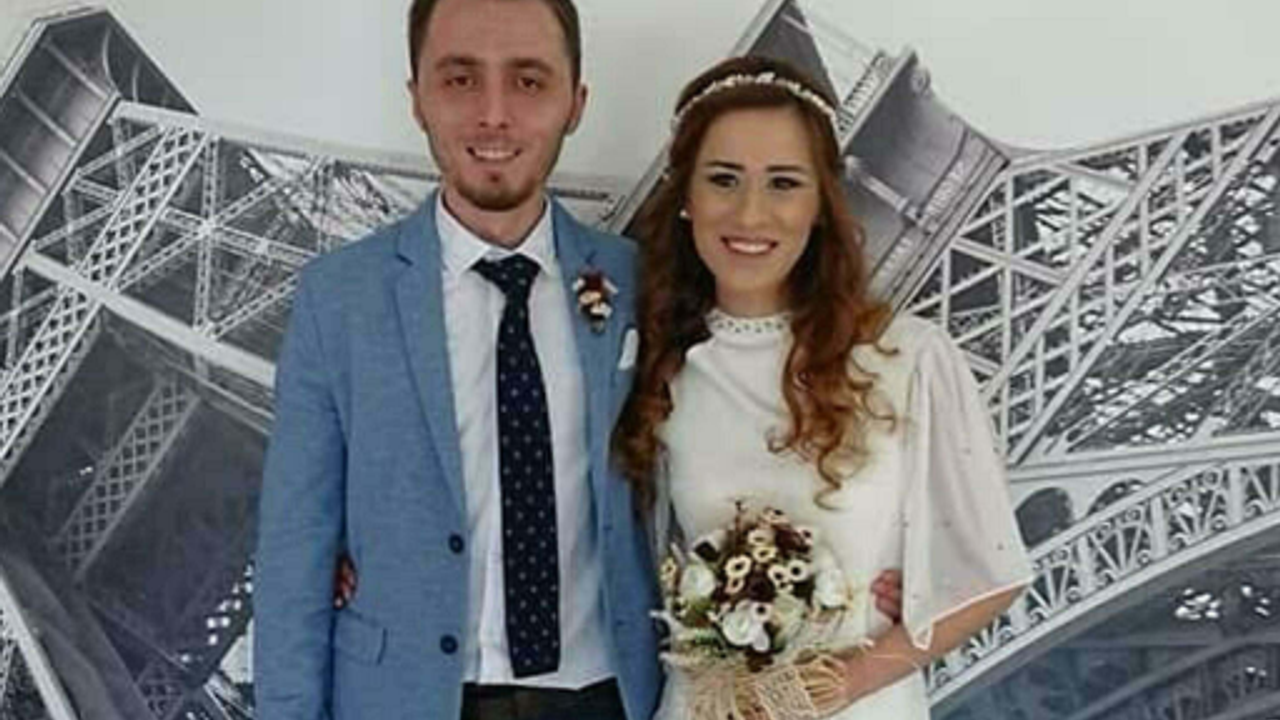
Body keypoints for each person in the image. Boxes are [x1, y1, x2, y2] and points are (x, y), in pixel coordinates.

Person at [256, 1, 907, 719]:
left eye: (529, 81)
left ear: (576, 102)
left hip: (607, 699)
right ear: (416, 97)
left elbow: (749, 415)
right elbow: (293, 554)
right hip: (400, 700)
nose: (494, 114)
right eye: (460, 79)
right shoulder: (338, 299)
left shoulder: (645, 282)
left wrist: (868, 567)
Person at [613, 55, 1035, 720]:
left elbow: (988, 574)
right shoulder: (660, 367)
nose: (751, 212)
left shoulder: (907, 357)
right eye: (723, 179)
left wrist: (845, 681)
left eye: (784, 183)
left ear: (820, 205)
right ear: (686, 198)